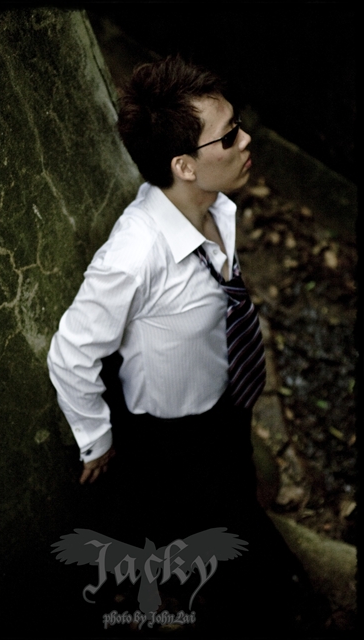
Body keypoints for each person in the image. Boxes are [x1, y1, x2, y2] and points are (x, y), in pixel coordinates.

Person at [47, 56, 315, 635]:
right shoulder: (133, 255)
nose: (245, 140)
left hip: (226, 402)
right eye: (229, 136)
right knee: (212, 542)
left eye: (238, 125)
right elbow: (70, 351)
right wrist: (95, 440)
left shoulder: (216, 206)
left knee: (237, 491)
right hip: (174, 440)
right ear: (184, 166)